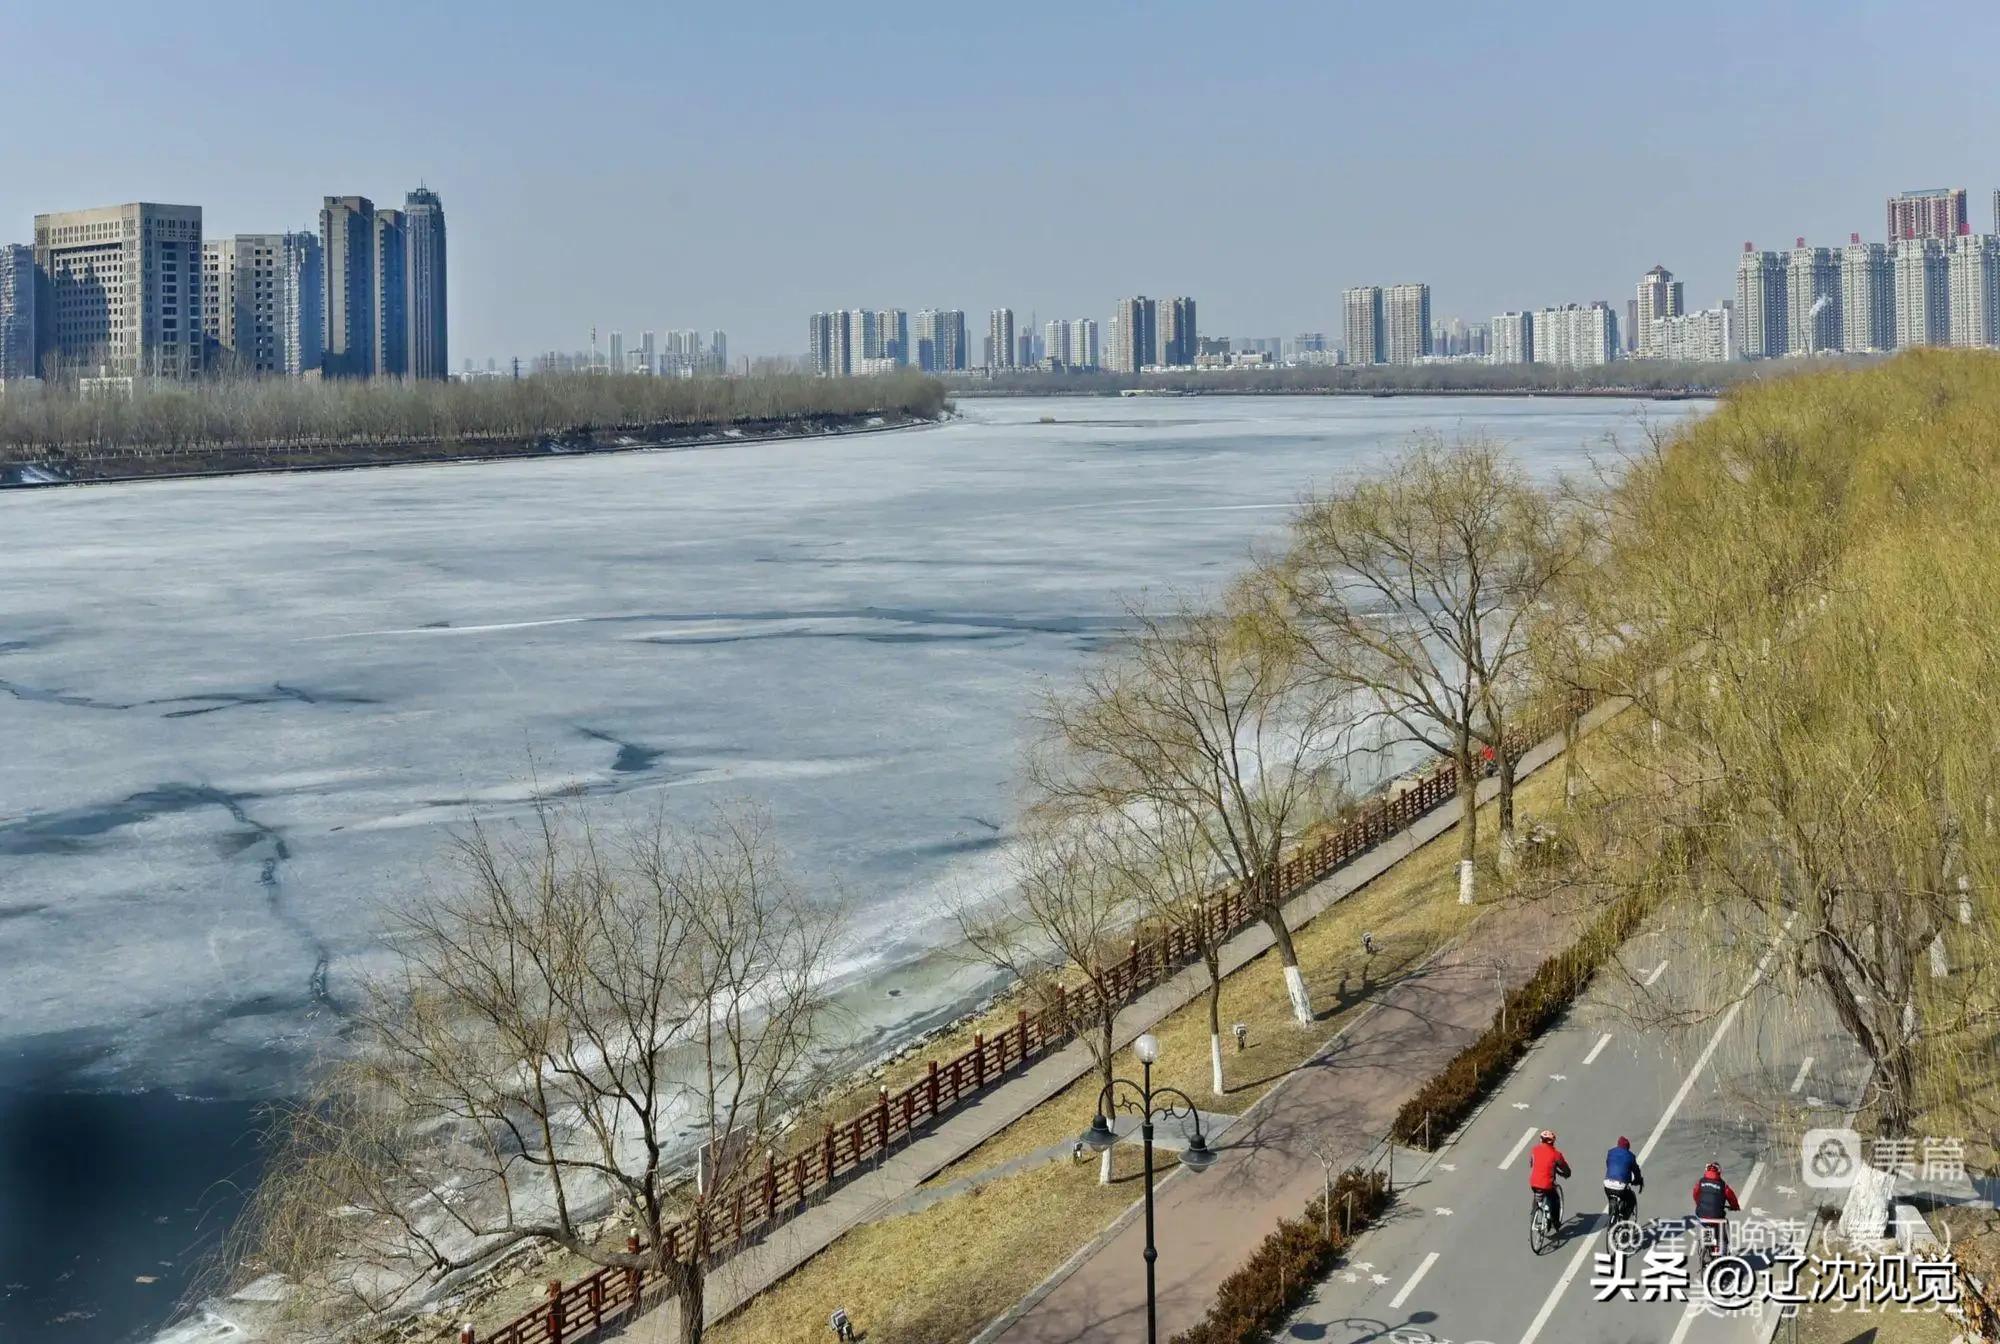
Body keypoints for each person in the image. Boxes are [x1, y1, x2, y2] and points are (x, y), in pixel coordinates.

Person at [1691, 1161, 1740, 1254]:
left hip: (1702, 1214)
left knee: (1704, 1226)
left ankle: (1705, 1246)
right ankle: (1723, 1257)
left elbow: (1695, 1194)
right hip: (1717, 1217)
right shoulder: (1723, 1185)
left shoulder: (1700, 1182)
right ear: (1719, 1172)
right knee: (1722, 1238)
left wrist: (1699, 1203)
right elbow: (1731, 1197)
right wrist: (1735, 1207)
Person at [1528, 1129, 1571, 1228]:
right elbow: (1566, 1170)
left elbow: (1531, 1163)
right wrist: (1565, 1174)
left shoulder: (1534, 1150)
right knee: (1555, 1199)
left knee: (1537, 1196)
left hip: (1533, 1182)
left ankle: (1534, 1215)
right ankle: (1556, 1223)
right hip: (1547, 1184)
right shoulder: (1556, 1154)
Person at [1603, 1136, 1644, 1224]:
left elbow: (1608, 1164)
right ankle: (1624, 1222)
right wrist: (1638, 1181)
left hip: (1607, 1184)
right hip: (1620, 1186)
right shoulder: (1630, 1156)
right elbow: (1636, 1171)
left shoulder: (1610, 1152)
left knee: (1611, 1198)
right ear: (1628, 1147)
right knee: (1630, 1200)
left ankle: (1612, 1216)